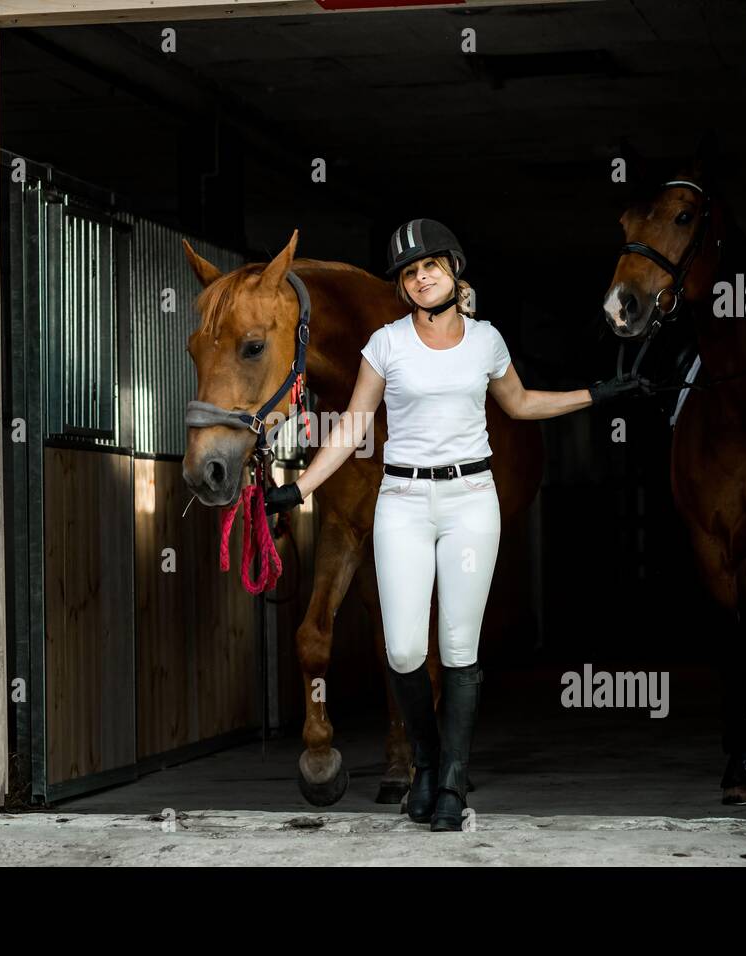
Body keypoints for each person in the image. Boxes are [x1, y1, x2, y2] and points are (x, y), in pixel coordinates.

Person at [264, 219, 642, 831]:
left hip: (471, 499)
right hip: (403, 501)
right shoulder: (384, 345)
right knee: (405, 646)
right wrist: (297, 488)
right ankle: (426, 761)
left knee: (460, 647)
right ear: (402, 285)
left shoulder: (487, 341)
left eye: (430, 266)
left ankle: (450, 783)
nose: (421, 277)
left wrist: (595, 396)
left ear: (454, 268)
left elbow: (519, 404)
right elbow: (355, 427)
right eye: (410, 272)